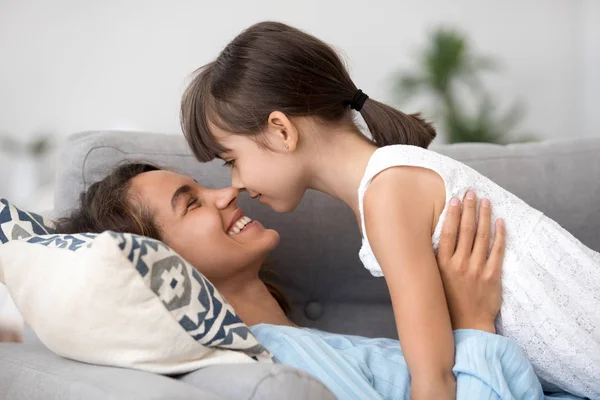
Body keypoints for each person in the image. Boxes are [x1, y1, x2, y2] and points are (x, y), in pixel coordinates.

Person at [179, 21, 600, 399]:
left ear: (281, 130)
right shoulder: (388, 183)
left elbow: (435, 380)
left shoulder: (388, 196)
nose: (235, 185)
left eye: (231, 160)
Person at [53, 163, 581, 399]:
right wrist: (474, 323)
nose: (225, 193)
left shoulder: (298, 346)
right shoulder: (282, 361)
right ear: (162, 263)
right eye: (190, 203)